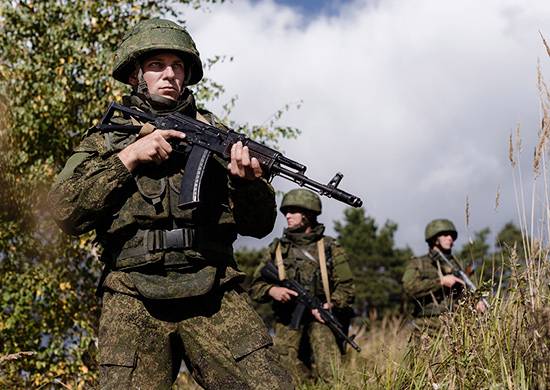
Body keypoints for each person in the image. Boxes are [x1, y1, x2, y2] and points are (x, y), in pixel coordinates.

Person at [48, 18, 293, 389]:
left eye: (178, 66)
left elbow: (259, 226)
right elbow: (63, 212)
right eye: (156, 65)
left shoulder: (219, 137)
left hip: (212, 289)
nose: (170, 75)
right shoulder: (107, 140)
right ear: (135, 75)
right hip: (132, 295)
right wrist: (128, 158)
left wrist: (248, 184)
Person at [249, 189, 355, 384]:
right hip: (288, 320)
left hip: (320, 318)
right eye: (285, 212)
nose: (287, 216)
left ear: (307, 215)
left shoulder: (331, 248)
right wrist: (273, 290)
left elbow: (347, 288)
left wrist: (329, 306)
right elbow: (255, 287)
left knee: (330, 366)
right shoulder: (278, 249)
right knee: (285, 371)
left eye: (293, 211)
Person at [402, 218, 486, 337]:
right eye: (445, 235)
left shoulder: (459, 265)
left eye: (452, 236)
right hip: (425, 328)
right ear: (434, 238)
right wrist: (440, 282)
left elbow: (468, 291)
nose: (450, 238)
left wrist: (476, 301)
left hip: (455, 327)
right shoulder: (418, 263)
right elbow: (409, 288)